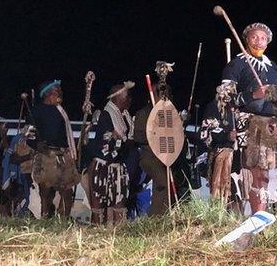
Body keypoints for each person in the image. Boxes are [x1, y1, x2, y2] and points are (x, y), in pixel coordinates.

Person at [221, 23, 277, 224]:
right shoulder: (236, 65)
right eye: (254, 37)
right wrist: (253, 94)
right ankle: (258, 225)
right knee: (260, 177)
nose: (258, 41)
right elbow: (226, 99)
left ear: (267, 43)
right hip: (252, 126)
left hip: (275, 125)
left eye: (263, 38)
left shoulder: (273, 67)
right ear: (246, 40)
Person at [134, 76, 191, 216]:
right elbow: (139, 136)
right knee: (163, 183)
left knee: (171, 185)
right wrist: (155, 133)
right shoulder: (144, 113)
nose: (162, 95)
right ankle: (156, 217)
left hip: (167, 156)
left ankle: (167, 215)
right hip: (150, 156)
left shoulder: (169, 112)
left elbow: (176, 135)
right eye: (159, 92)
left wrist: (182, 122)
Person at [83, 82, 135, 224]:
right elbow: (111, 143)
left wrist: (125, 142)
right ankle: (97, 235)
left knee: (119, 203)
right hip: (102, 167)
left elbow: (126, 141)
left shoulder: (125, 117)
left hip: (118, 167)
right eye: (128, 96)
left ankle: (117, 236)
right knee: (99, 204)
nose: (130, 100)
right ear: (119, 98)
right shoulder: (105, 115)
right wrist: (124, 142)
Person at [29, 80, 80, 218]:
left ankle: (63, 220)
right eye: (58, 90)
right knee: (45, 192)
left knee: (67, 191)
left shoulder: (62, 111)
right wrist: (37, 145)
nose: (61, 93)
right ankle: (45, 218)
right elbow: (29, 135)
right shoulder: (36, 111)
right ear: (48, 93)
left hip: (64, 155)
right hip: (47, 156)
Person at [200, 81, 239, 208]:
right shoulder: (213, 107)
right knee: (218, 184)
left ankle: (234, 213)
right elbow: (207, 132)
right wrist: (227, 135)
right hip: (219, 152)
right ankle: (217, 211)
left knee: (235, 188)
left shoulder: (235, 109)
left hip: (235, 155)